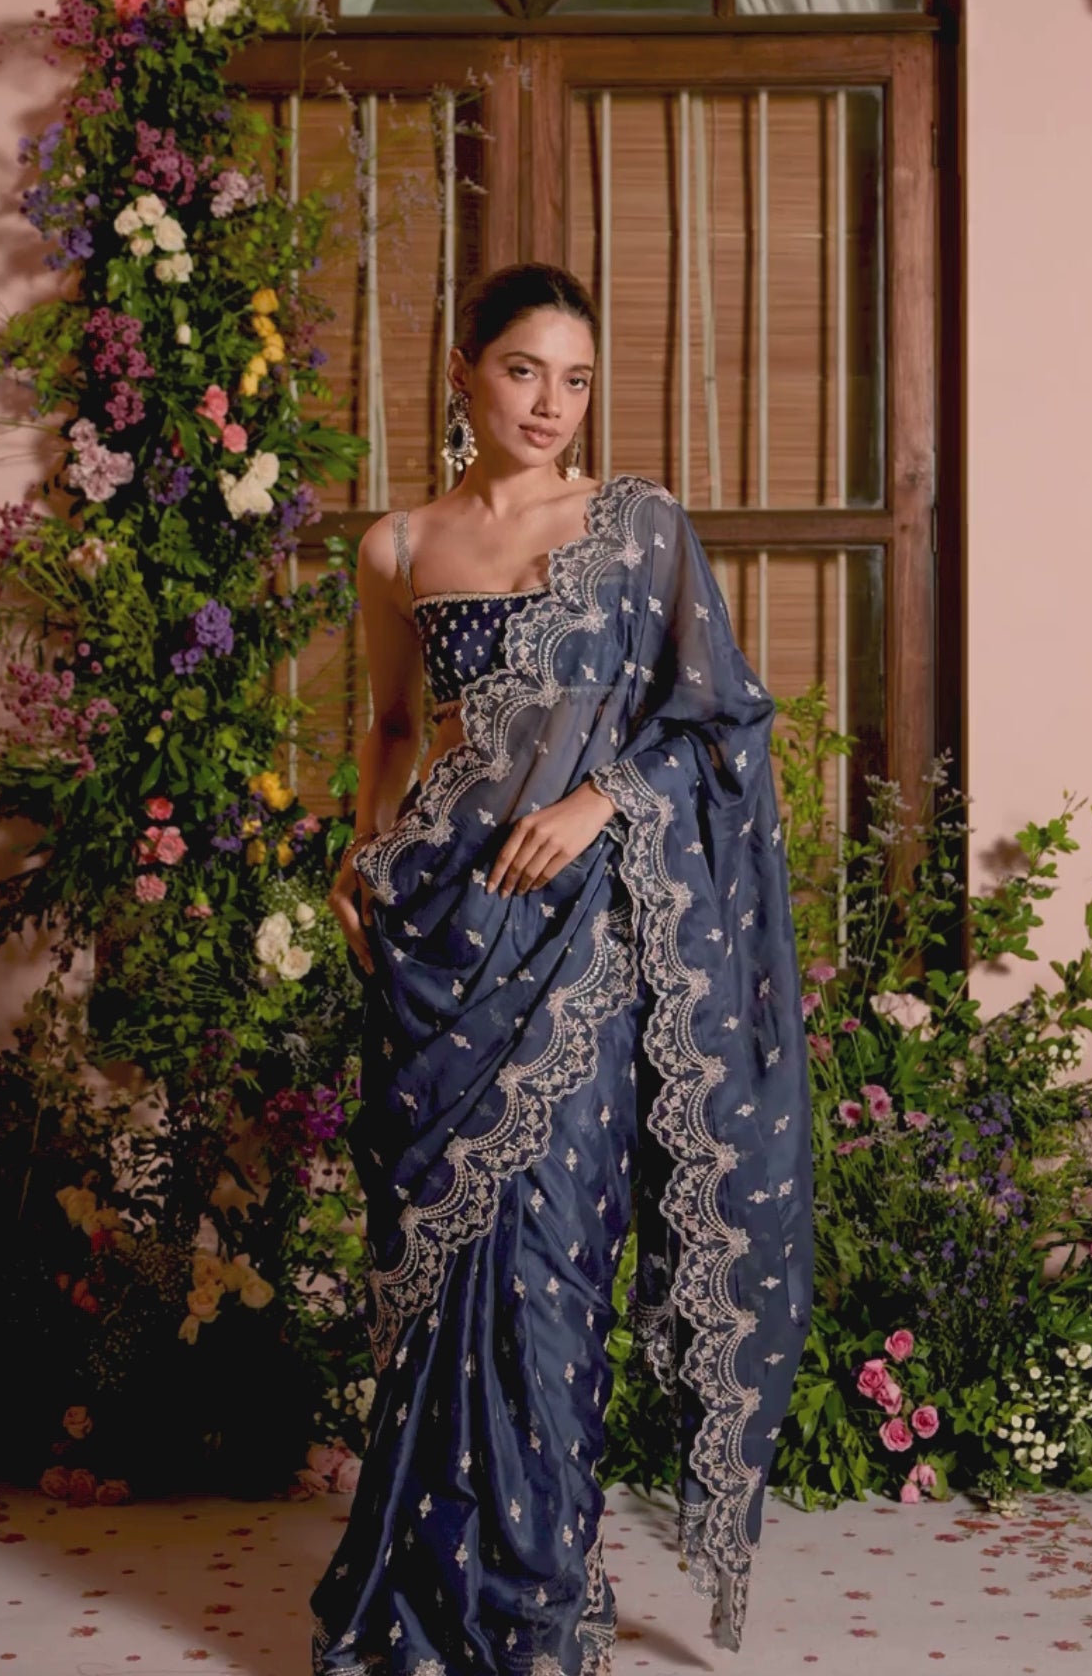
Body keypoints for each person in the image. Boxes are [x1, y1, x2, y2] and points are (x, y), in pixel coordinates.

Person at [310, 263, 812, 1675]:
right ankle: (416, 1603)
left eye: (576, 379)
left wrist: (604, 800)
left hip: (581, 945)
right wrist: (360, 850)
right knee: (437, 1282)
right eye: (524, 370)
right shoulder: (399, 545)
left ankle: (531, 1608)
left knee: (548, 1270)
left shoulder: (637, 529)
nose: (550, 404)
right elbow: (395, 726)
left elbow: (720, 722)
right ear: (463, 371)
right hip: (438, 933)